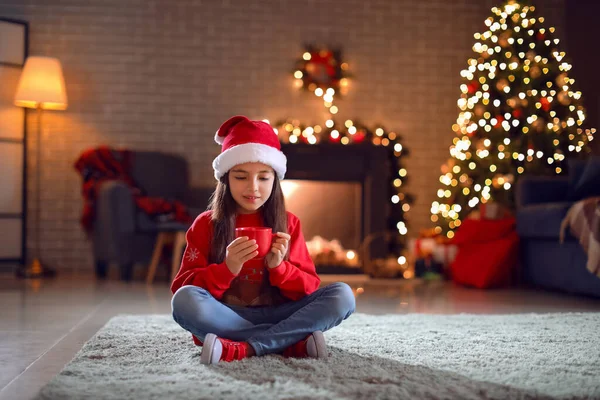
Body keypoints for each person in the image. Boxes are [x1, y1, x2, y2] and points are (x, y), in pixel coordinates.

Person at [170, 115, 356, 365]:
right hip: (227, 314)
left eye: (263, 177)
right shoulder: (206, 224)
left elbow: (309, 288)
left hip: (281, 313)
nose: (253, 187)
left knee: (343, 295)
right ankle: (288, 342)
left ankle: (242, 347)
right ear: (225, 178)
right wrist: (227, 269)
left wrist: (280, 268)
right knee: (183, 302)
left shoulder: (289, 223)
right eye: (241, 176)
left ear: (275, 179)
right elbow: (183, 288)